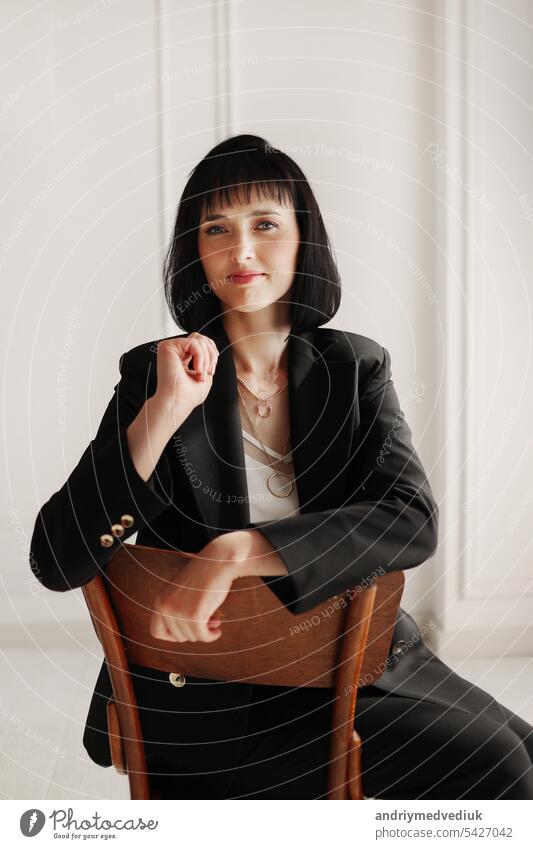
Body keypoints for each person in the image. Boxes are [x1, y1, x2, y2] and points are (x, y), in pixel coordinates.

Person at [30, 134, 533, 800]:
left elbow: (410, 519)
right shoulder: (152, 376)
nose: (240, 250)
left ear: (303, 240)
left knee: (524, 751)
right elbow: (56, 558)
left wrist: (236, 551)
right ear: (196, 252)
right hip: (219, 701)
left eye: (264, 224)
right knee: (501, 767)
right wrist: (159, 414)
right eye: (217, 228)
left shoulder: (354, 367)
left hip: (357, 663)